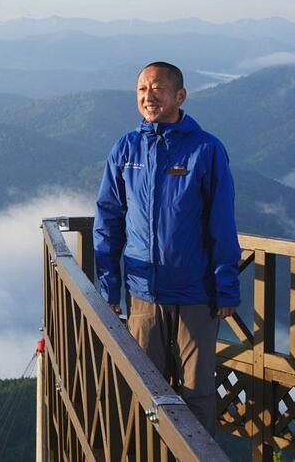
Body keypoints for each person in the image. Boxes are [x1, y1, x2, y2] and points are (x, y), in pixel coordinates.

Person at [94, 61, 241, 436]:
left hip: (196, 294)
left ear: (180, 96)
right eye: (142, 89)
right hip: (143, 295)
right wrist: (109, 287)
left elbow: (222, 223)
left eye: (157, 88)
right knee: (146, 391)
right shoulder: (125, 149)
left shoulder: (206, 150)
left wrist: (226, 286)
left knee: (197, 394)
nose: (148, 96)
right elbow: (108, 219)